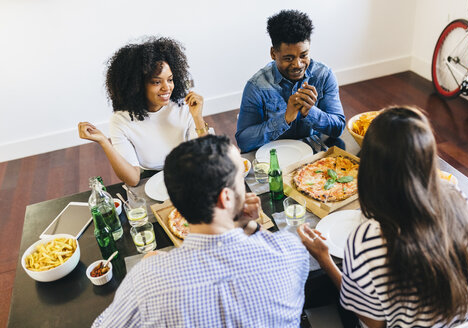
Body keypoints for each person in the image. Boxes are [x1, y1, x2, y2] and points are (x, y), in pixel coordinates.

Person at [298, 106, 468, 327]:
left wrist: (324, 259)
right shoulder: (460, 200)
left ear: (370, 169)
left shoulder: (366, 238)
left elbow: (373, 323)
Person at [92, 135, 310, 327]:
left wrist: (150, 268)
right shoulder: (290, 251)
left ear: (176, 204)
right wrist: (251, 227)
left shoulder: (146, 281)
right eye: (240, 179)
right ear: (226, 198)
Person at [78, 37, 209, 186]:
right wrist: (104, 142)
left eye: (170, 79)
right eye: (157, 82)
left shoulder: (184, 105)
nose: (167, 88)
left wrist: (198, 118)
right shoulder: (121, 120)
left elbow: (206, 157)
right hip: (152, 180)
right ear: (138, 85)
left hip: (190, 172)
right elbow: (133, 179)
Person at [235, 10, 345, 153]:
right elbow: (244, 142)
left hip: (314, 154)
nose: (298, 65)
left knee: (339, 144)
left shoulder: (324, 75)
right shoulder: (257, 86)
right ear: (273, 53)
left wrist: (310, 112)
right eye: (289, 58)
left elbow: (338, 128)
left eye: (304, 55)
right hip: (273, 155)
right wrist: (285, 118)